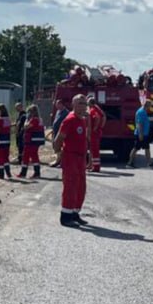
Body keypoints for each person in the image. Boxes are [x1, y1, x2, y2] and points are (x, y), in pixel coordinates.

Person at [53, 94, 90, 226]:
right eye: (80, 103)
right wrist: (58, 153)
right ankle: (66, 216)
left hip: (80, 158)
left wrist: (88, 156)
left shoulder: (82, 119)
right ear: (73, 105)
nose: (83, 106)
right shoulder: (70, 119)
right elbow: (59, 139)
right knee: (70, 186)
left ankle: (75, 213)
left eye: (84, 103)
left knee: (81, 186)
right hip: (71, 157)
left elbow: (84, 139)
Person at [19, 105, 44, 179]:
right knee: (34, 156)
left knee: (26, 156)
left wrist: (26, 120)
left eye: (29, 112)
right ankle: (37, 172)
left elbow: (26, 127)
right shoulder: (39, 119)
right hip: (35, 140)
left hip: (31, 140)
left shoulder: (34, 119)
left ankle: (23, 172)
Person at [0, 104, 13, 180]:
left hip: (0, 140)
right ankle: (8, 173)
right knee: (6, 158)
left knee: (0, 158)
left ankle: (1, 174)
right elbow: (9, 130)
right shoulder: (8, 119)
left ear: (0, 111)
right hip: (7, 140)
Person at [48, 99, 69, 168]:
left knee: (61, 147)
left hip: (61, 133)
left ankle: (61, 162)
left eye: (58, 104)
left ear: (61, 104)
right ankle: (58, 160)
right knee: (56, 147)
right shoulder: (58, 112)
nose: (56, 106)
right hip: (55, 132)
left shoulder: (66, 112)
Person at [87, 95, 105, 172]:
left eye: (88, 103)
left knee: (94, 150)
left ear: (90, 103)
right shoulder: (97, 109)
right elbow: (103, 117)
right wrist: (101, 127)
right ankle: (91, 165)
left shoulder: (93, 110)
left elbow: (97, 118)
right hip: (97, 132)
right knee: (92, 149)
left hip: (94, 133)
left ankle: (96, 167)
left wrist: (94, 128)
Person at [132, 103, 152, 168]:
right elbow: (139, 124)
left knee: (147, 148)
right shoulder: (141, 112)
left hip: (144, 134)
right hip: (140, 134)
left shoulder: (144, 111)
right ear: (147, 105)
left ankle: (149, 163)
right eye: (150, 106)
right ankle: (130, 163)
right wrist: (140, 134)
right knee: (135, 149)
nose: (150, 107)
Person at [13, 102, 27, 167]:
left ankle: (21, 159)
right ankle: (20, 158)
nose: (16, 109)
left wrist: (17, 132)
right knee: (19, 146)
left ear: (20, 107)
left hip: (21, 133)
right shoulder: (20, 114)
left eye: (17, 107)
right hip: (20, 132)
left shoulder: (23, 115)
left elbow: (19, 124)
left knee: (21, 146)